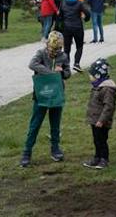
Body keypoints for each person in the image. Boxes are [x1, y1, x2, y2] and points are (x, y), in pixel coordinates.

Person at [20, 31, 71, 167]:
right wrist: (50, 72)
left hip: (57, 95)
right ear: (47, 44)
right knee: (35, 124)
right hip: (41, 94)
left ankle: (55, 149)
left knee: (55, 124)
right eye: (52, 48)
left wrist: (62, 72)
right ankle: (27, 152)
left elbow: (68, 73)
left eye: (58, 49)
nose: (54, 51)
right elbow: (32, 64)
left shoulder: (63, 56)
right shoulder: (41, 53)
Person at [82, 58, 116, 170]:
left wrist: (101, 120)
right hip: (95, 120)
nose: (90, 77)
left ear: (98, 75)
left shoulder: (107, 89)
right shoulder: (97, 87)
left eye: (91, 75)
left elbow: (109, 106)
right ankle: (97, 157)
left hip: (101, 121)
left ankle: (104, 159)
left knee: (102, 140)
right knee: (96, 140)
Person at [60, 0, 89, 72]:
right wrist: (86, 19)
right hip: (78, 28)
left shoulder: (63, 3)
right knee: (79, 46)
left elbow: (60, 15)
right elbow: (87, 13)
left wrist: (61, 23)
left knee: (66, 48)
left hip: (66, 28)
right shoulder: (79, 3)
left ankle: (66, 65)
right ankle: (76, 64)